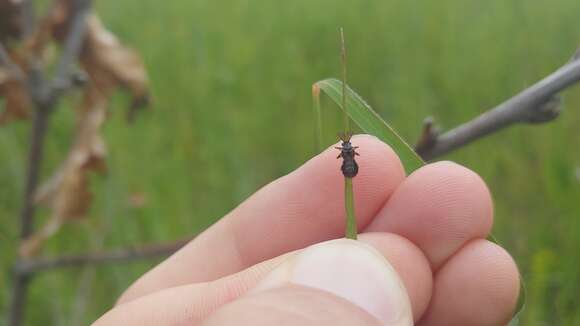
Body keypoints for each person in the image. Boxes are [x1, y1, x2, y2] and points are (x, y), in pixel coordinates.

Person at [93, 135, 520, 325]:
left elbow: (348, 162)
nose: (347, 151)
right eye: (346, 149)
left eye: (347, 148)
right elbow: (348, 162)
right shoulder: (348, 156)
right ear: (346, 151)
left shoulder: (348, 156)